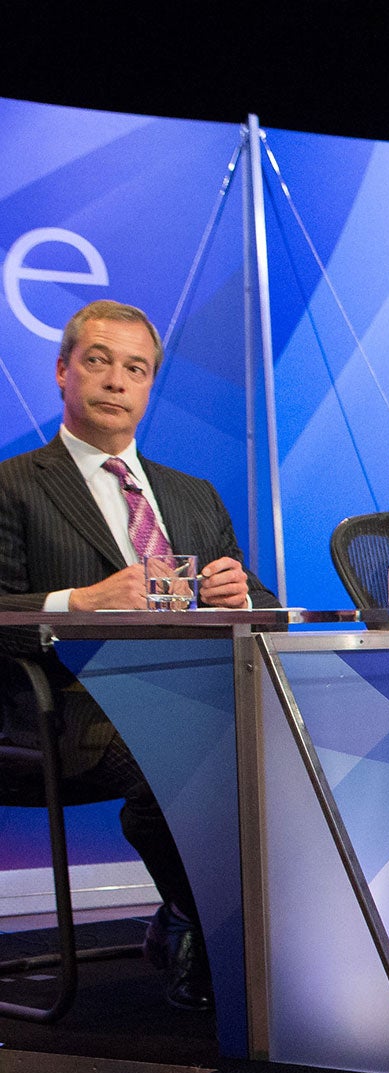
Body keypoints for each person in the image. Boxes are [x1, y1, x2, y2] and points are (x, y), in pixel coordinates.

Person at [0, 300, 274, 1011]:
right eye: (98, 361)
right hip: (54, 707)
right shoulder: (14, 485)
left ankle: (224, 921)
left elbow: (265, 602)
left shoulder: (191, 493)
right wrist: (81, 602)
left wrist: (235, 594)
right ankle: (209, 926)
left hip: (192, 691)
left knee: (277, 728)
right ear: (63, 371)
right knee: (190, 737)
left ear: (149, 387)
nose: (116, 380)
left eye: (136, 368)